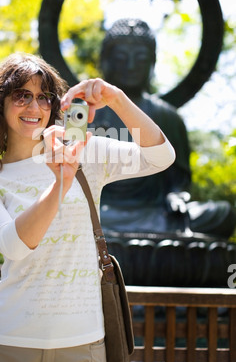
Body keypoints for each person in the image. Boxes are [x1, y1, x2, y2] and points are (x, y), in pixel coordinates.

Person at [0, 52, 175, 362]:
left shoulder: (86, 153)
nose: (34, 108)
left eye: (44, 97)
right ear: (0, 103)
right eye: (22, 95)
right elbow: (15, 245)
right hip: (11, 343)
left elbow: (161, 156)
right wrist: (61, 182)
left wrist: (115, 98)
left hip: (84, 343)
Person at [90, 18, 236, 237]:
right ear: (105, 61)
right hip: (103, 210)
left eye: (140, 59)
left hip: (154, 212)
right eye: (121, 59)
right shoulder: (85, 113)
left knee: (221, 214)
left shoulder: (167, 116)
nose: (131, 67)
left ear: (153, 64)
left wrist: (176, 195)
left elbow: (178, 180)